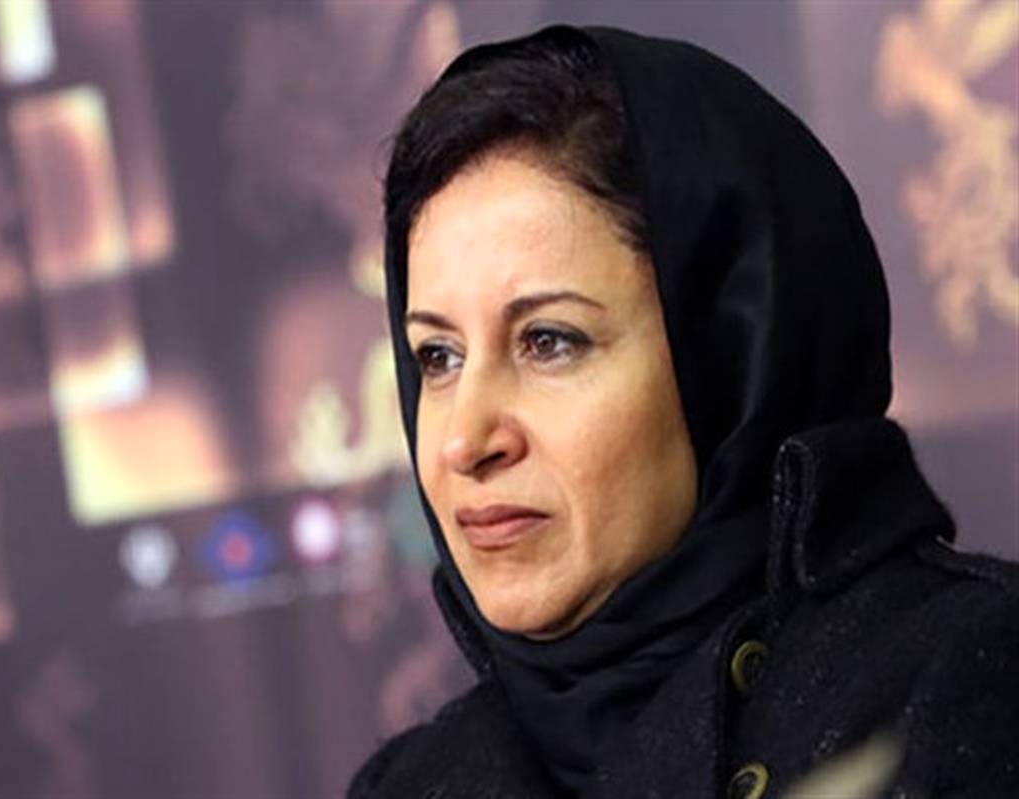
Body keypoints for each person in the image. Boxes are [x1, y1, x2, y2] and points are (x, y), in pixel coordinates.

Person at [348, 24, 1019, 799]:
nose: (466, 440)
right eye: (438, 356)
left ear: (735, 357)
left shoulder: (971, 683)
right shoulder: (406, 786)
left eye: (548, 341)